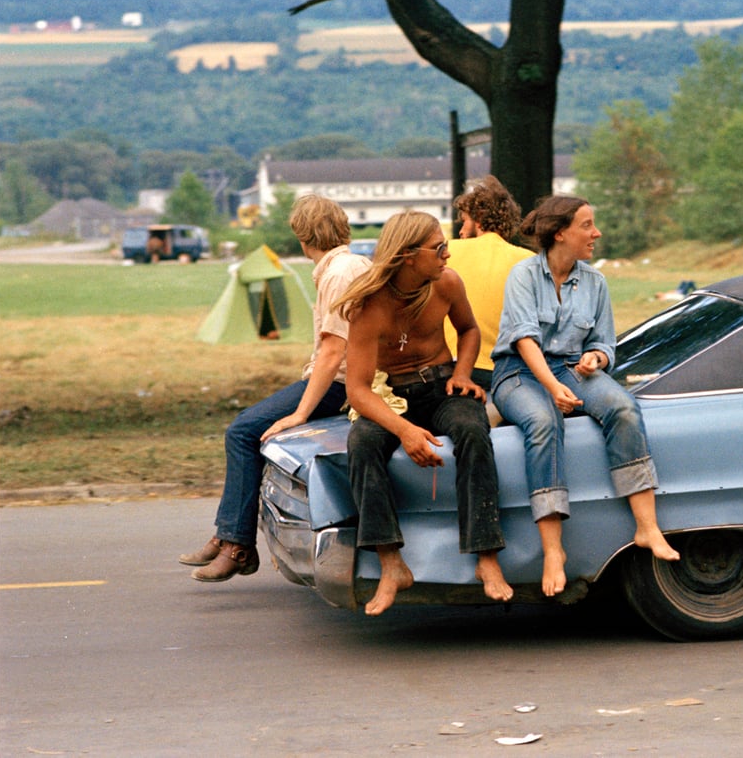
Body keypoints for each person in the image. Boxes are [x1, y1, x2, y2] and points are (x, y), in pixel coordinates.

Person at [490, 196, 679, 598]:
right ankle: (553, 550)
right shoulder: (523, 275)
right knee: (544, 421)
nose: (597, 233)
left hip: (571, 368)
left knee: (624, 408)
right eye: (587, 225)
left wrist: (596, 357)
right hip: (518, 373)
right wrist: (551, 387)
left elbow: (605, 343)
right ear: (561, 233)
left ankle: (647, 528)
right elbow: (524, 339)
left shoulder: (596, 281)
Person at [179, 194, 371, 581]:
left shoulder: (337, 273)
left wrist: (299, 413)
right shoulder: (354, 264)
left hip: (341, 383)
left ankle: (236, 545)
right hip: (347, 377)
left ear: (303, 236)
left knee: (243, 431)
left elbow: (334, 353)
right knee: (247, 428)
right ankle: (227, 536)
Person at [337, 210, 512, 615]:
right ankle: (390, 563)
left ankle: (486, 556)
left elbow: (469, 329)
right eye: (439, 248)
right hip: (393, 396)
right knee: (361, 441)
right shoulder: (368, 307)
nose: (447, 255)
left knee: (472, 428)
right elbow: (358, 390)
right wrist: (404, 431)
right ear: (407, 256)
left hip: (443, 385)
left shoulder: (446, 283)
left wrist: (465, 373)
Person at [442, 175, 534, 392]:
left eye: (464, 221)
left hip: (449, 368)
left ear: (479, 218)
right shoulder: (529, 261)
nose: (462, 231)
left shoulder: (445, 252)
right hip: (504, 373)